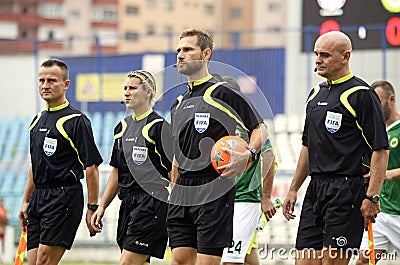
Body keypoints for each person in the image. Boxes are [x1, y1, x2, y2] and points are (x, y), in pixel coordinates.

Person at [282, 31, 389, 265]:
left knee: (331, 263)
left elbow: (380, 150)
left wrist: (372, 196)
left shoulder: (361, 95)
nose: (318, 60)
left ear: (345, 56)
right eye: (316, 54)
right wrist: (293, 189)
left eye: (325, 55)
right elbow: (307, 146)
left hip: (347, 190)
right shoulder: (315, 95)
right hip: (315, 190)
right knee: (304, 262)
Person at [168, 28, 265, 265]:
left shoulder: (222, 91)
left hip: (214, 187)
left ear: (206, 54)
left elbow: (260, 128)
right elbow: (177, 154)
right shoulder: (179, 102)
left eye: (188, 50)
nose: (180, 55)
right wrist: (173, 187)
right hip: (183, 190)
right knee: (179, 260)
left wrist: (249, 154)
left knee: (207, 262)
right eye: (179, 50)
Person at [18, 58, 103, 265]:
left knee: (45, 262)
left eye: (52, 81)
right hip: (39, 198)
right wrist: (26, 200)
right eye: (42, 80)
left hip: (63, 197)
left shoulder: (76, 121)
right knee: (33, 261)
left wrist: (92, 207)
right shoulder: (36, 121)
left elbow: (91, 167)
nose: (45, 85)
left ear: (66, 84)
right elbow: (34, 164)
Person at [90, 70, 172, 265]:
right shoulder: (121, 127)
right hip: (127, 204)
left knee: (127, 262)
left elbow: (174, 171)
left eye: (133, 88)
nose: (127, 92)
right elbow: (116, 171)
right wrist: (101, 207)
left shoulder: (159, 127)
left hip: (151, 203)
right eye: (125, 88)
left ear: (148, 92)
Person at [221, 76, 278, 265]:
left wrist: (265, 197)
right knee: (246, 253)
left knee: (232, 259)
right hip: (219, 200)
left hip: (244, 200)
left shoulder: (252, 126)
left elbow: (269, 158)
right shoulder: (216, 124)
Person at [357, 80, 400, 265]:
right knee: (363, 261)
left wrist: (391, 173)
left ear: (391, 100)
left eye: (379, 102)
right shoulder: (375, 132)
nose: (375, 107)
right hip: (383, 213)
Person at [0, 197, 8, 262]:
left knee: (3, 243)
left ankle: (2, 257)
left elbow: (6, 220)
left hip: (3, 228)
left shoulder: (5, 210)